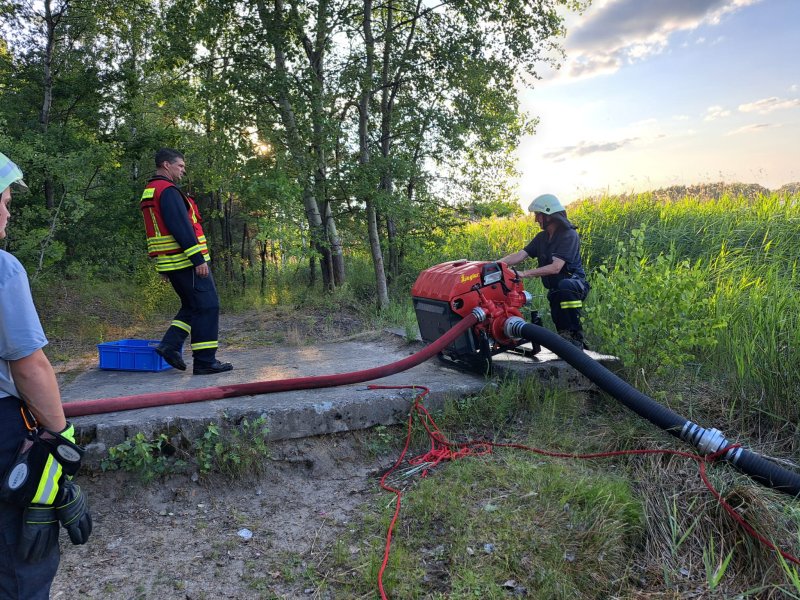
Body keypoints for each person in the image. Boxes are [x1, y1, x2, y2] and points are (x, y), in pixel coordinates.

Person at [0, 152, 92, 599]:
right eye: (3, 200)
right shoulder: (2, 270)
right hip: (3, 432)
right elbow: (29, 366)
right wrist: (60, 437)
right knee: (20, 567)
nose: (7, 212)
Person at [140, 148, 233, 375]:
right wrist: (197, 259)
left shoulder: (150, 191)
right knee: (209, 306)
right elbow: (180, 227)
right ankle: (204, 361)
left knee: (193, 306)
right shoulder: (168, 191)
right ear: (165, 165)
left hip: (172, 261)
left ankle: (170, 346)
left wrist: (161, 263)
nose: (183, 171)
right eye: (180, 166)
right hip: (185, 261)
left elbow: (155, 229)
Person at [499, 193, 590, 349]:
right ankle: (568, 343)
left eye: (538, 215)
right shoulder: (542, 238)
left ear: (549, 215)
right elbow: (520, 255)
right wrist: (493, 265)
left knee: (565, 288)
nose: (536, 219)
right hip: (556, 290)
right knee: (560, 316)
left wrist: (523, 273)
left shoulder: (569, 235)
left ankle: (576, 337)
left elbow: (556, 267)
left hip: (575, 286)